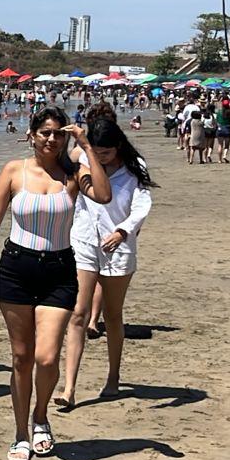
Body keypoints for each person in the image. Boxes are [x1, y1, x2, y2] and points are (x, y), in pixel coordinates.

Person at [0, 109, 110, 460]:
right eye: (45, 132)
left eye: (59, 133)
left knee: (46, 357)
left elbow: (103, 195)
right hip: (16, 268)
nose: (51, 139)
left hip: (59, 270)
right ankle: (20, 433)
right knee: (21, 357)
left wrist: (86, 145)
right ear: (31, 135)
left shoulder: (74, 174)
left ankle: (40, 415)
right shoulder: (15, 171)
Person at [57, 116, 156, 407]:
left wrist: (122, 231)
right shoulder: (83, 161)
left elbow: (142, 206)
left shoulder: (134, 169)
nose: (100, 158)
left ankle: (113, 377)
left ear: (118, 147)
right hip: (84, 241)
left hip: (119, 247)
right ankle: (69, 388)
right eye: (96, 152)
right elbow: (59, 164)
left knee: (112, 316)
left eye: (106, 153)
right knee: (78, 313)